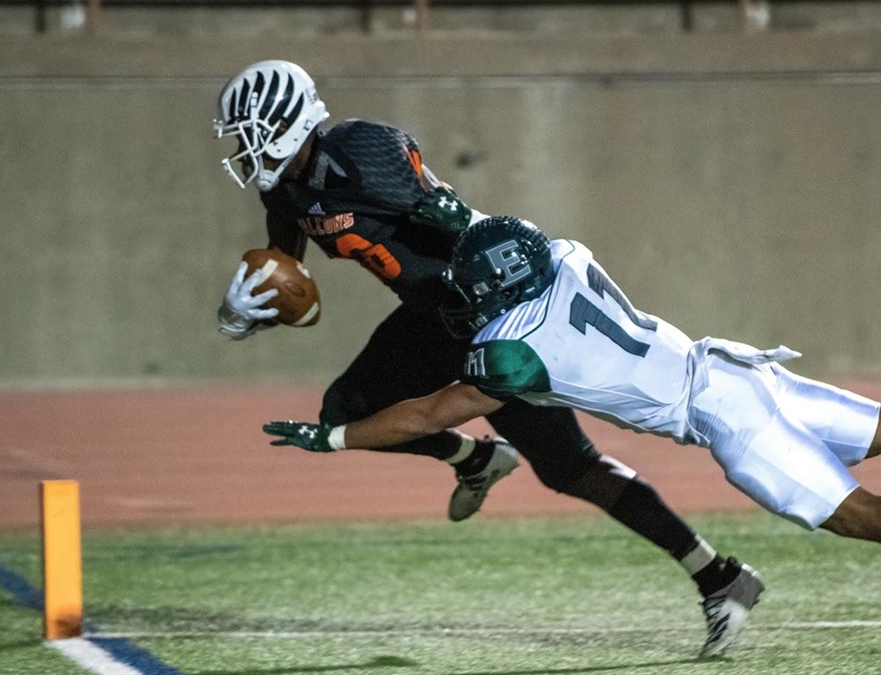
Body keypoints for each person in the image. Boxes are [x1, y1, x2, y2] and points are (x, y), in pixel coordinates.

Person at [264, 215, 881, 655]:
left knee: (851, 511)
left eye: (479, 294)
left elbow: (428, 412)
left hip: (719, 414)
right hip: (734, 366)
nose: (470, 306)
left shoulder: (509, 354)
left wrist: (334, 438)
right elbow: (527, 261)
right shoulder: (564, 254)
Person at [214, 60, 763, 658]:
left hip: (486, 314)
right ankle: (476, 459)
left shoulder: (362, 151)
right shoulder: (286, 190)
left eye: (249, 132)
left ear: (287, 122)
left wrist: (512, 309)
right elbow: (285, 275)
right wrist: (242, 313)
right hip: (426, 316)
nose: (243, 149)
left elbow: (458, 219)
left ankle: (721, 578)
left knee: (570, 469)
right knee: (344, 412)